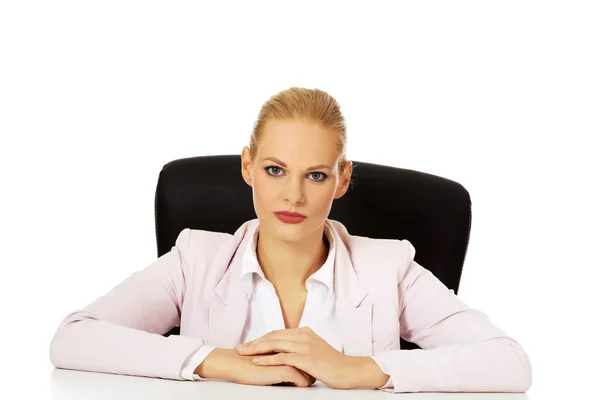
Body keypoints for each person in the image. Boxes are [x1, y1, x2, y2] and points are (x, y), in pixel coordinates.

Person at [49, 87, 532, 393]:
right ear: (247, 167)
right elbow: (73, 338)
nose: (294, 195)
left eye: (316, 175)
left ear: (342, 181)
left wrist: (357, 369)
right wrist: (216, 362)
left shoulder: (390, 268)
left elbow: (509, 363)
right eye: (275, 170)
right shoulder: (195, 258)